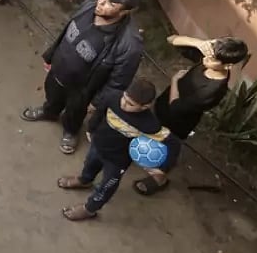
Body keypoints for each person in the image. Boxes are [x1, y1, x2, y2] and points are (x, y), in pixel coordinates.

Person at [20, 0, 145, 154]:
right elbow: (67, 30)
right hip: (58, 70)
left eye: (111, 3)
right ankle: (50, 112)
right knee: (52, 94)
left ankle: (70, 131)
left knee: (75, 112)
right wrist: (51, 55)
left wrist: (97, 102)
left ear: (125, 11)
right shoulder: (90, 5)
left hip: (82, 89)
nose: (101, 2)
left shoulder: (129, 45)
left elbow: (118, 81)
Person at [134, 35, 250, 195]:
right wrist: (200, 43)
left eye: (212, 59)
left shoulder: (211, 91)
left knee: (169, 146)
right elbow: (171, 39)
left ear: (228, 66)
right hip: (163, 107)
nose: (206, 59)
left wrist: (175, 81)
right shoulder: (209, 59)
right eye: (208, 54)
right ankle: (146, 150)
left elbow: (175, 107)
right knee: (152, 130)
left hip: (178, 122)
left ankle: (160, 178)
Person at [57, 78, 179, 221]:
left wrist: (163, 169)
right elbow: (101, 110)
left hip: (117, 161)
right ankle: (84, 180)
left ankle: (90, 209)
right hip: (98, 144)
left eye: (130, 104)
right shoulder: (113, 97)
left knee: (107, 186)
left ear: (145, 106)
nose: (123, 104)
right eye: (124, 98)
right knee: (89, 164)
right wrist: (91, 128)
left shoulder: (149, 124)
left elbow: (174, 144)